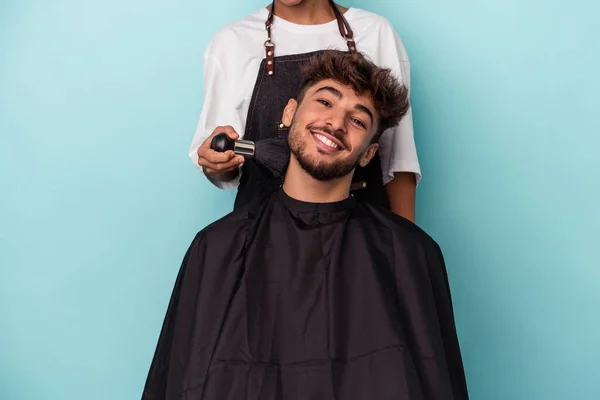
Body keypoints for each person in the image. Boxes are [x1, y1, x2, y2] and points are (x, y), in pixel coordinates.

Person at [143, 51, 468, 399]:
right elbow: (180, 382)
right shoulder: (217, 248)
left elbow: (436, 383)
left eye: (358, 120)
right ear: (289, 112)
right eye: (325, 101)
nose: (335, 123)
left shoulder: (411, 253)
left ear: (369, 154)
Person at [191, 0, 420, 222]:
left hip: (362, 235)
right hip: (263, 235)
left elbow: (399, 163)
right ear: (290, 110)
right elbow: (225, 166)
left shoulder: (375, 32)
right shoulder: (232, 41)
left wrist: (407, 248)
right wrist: (218, 165)